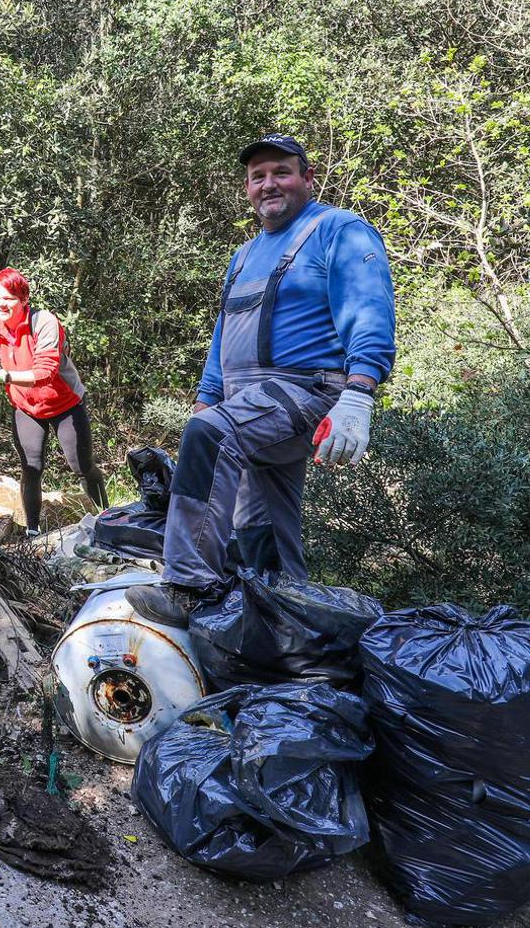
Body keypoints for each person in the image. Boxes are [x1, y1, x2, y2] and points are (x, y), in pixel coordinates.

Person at [127, 134, 396, 626]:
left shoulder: (341, 232)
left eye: (281, 172)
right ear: (248, 188)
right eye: (258, 177)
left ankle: (190, 589)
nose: (269, 184)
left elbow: (369, 312)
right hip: (246, 400)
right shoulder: (246, 253)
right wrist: (208, 398)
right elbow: (223, 333)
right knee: (261, 531)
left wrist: (358, 396)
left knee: (212, 437)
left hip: (308, 391)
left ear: (307, 178)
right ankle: (290, 630)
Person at [0, 267, 107, 534]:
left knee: (82, 466)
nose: (1, 304)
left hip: (65, 403)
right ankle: (33, 531)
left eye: (8, 298)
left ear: (23, 300)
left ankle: (108, 516)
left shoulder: (43, 322)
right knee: (31, 467)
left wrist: (4, 376)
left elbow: (45, 372)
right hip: (26, 407)